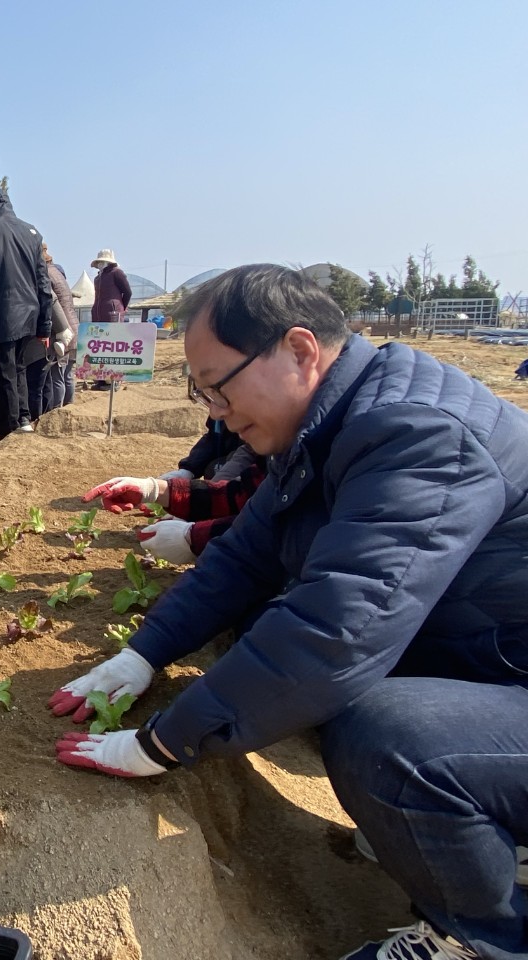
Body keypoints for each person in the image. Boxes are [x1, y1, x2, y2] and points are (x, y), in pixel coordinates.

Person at [51, 264, 528, 960]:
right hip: (491, 652)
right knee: (265, 639)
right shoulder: (334, 420)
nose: (215, 411)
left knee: (386, 737)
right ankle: (462, 823)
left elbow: (338, 633)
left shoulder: (415, 432)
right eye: (202, 393)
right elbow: (247, 554)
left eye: (218, 386)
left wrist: (163, 743)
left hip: (511, 674)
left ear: (300, 351)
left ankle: (485, 937)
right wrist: (144, 652)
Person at [0, 189, 53, 437]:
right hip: (30, 312)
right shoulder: (30, 231)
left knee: (3, 372)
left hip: (3, 314)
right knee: (20, 368)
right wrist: (44, 324)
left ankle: (9, 427)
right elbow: (43, 281)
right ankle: (24, 418)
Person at [82, 457, 267, 564]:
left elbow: (271, 527)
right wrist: (156, 489)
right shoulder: (274, 457)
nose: (214, 412)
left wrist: (194, 537)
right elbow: (238, 494)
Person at [41, 243, 79, 412]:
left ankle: (58, 411)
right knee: (68, 374)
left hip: (61, 330)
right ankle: (70, 407)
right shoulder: (57, 271)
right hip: (74, 326)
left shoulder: (45, 274)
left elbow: (51, 302)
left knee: (57, 375)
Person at [90, 249, 131, 323]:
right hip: (97, 314)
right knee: (98, 330)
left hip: (113, 313)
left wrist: (121, 307)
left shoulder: (116, 272)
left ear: (108, 262)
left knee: (113, 330)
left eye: (102, 262)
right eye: (99, 262)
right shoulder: (97, 278)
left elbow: (127, 292)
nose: (100, 264)